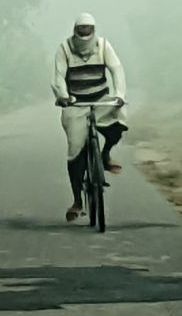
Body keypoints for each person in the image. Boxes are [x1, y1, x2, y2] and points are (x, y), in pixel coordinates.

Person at [52, 12, 127, 221]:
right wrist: (63, 96)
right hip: (75, 103)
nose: (85, 33)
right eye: (81, 29)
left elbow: (117, 69)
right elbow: (58, 77)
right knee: (75, 151)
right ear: (75, 30)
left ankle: (105, 154)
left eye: (88, 29)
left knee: (118, 122)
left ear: (94, 30)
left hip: (101, 100)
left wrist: (119, 95)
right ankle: (77, 201)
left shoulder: (103, 46)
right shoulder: (65, 49)